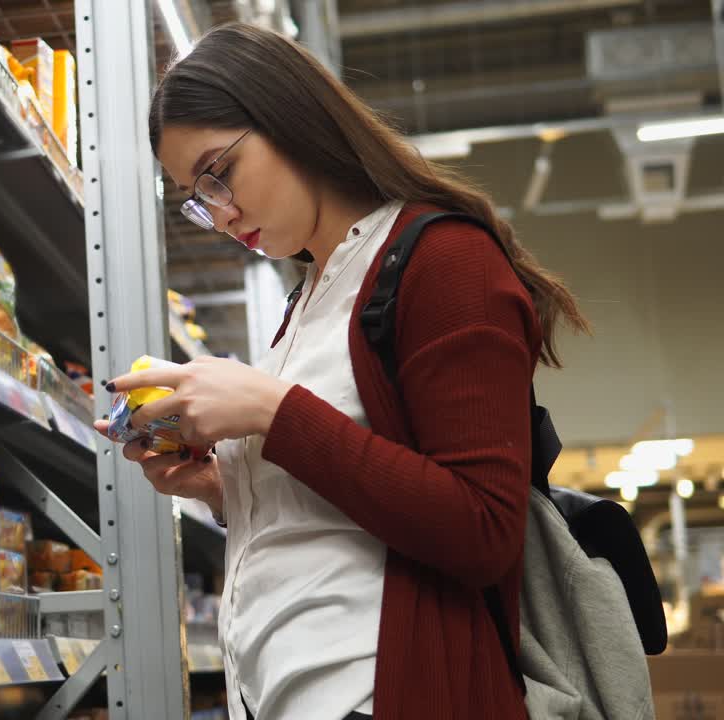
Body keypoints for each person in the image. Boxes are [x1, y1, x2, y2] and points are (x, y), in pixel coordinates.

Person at [93, 22, 589, 720]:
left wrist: (272, 412)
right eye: (197, 197)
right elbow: (343, 514)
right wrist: (227, 487)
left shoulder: (445, 262)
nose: (222, 212)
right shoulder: (309, 303)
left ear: (288, 116)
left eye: (220, 173)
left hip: (384, 695)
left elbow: (483, 529)